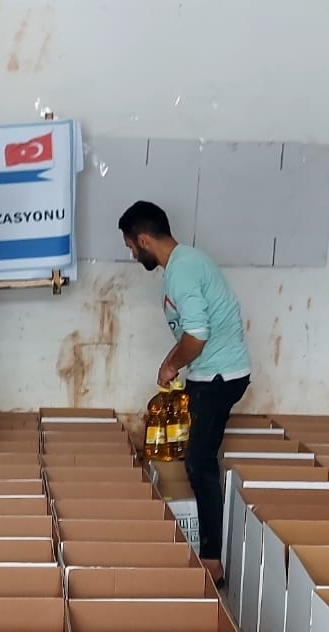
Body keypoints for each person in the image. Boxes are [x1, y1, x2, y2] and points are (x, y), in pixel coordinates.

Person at [119, 200, 251, 587]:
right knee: (194, 454)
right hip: (211, 373)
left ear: (144, 240)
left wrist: (170, 365)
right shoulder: (186, 262)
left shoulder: (181, 270)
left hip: (220, 376)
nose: (132, 254)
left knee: (199, 462)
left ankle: (212, 561)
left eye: (131, 246)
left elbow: (197, 333)